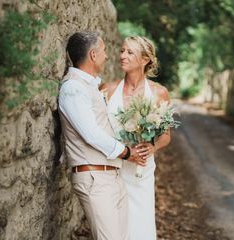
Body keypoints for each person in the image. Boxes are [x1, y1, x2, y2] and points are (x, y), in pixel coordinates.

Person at [58, 31, 146, 240]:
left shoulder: (89, 86)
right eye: (104, 50)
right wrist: (126, 153)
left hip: (111, 175)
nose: (108, 56)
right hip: (95, 178)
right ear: (93, 55)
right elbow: (91, 134)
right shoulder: (73, 88)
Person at [100, 36, 171, 240]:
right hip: (112, 168)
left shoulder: (159, 93)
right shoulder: (107, 89)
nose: (122, 56)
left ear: (145, 59)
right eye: (122, 51)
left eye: (130, 52)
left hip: (141, 171)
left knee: (141, 227)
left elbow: (166, 136)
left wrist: (152, 147)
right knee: (113, 228)